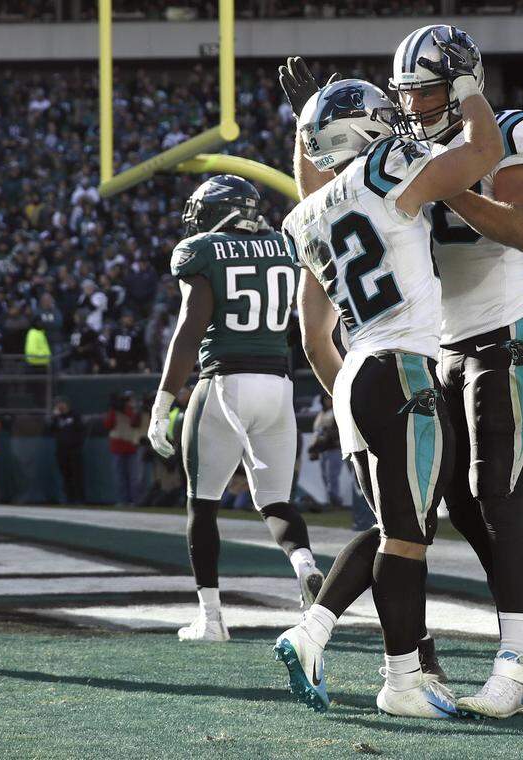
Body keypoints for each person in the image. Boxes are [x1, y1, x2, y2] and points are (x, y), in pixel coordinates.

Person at [271, 44, 500, 718]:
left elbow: (315, 191)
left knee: (401, 527)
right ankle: (387, 675)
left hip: (358, 373)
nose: (395, 123)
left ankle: (385, 667)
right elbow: (482, 155)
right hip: (402, 367)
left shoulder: (303, 218)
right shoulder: (385, 166)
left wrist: (304, 123)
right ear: (365, 133)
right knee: (406, 535)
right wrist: (467, 90)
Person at [388, 24, 523, 717]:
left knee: (495, 495)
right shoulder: (412, 144)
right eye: (407, 92)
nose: (415, 105)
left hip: (505, 335)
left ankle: (517, 663)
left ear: (465, 82)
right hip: (444, 345)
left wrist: (448, 186)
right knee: (462, 502)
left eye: (429, 89)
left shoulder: (509, 133)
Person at [145, 173, 324, 643]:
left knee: (202, 505)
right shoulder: (286, 244)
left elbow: (188, 331)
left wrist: (163, 402)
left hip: (224, 382)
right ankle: (304, 564)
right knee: (276, 501)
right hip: (279, 385)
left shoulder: (202, 251)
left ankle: (212, 619)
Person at [105, 391, 143, 506]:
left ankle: (135, 501)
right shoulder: (114, 411)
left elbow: (136, 423)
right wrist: (114, 409)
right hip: (117, 447)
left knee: (133, 477)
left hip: (131, 447)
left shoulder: (134, 411)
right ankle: (123, 500)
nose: (128, 402)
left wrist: (129, 410)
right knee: (120, 476)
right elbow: (107, 424)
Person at [47, 396, 86, 504]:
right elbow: (50, 429)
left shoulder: (75, 415)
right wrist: (54, 417)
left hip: (74, 450)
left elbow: (81, 429)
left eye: (62, 403)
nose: (60, 406)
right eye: (58, 404)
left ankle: (80, 499)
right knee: (65, 475)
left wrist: (78, 443)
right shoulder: (57, 418)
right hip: (61, 450)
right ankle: (69, 498)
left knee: (77, 474)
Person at [308, 395, 342, 509]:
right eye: (326, 399)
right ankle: (331, 500)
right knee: (325, 477)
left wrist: (328, 434)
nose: (328, 401)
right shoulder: (321, 414)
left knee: (333, 477)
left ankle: (336, 502)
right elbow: (317, 432)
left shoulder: (337, 411)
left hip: (334, 448)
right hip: (323, 449)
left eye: (330, 398)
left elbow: (340, 430)